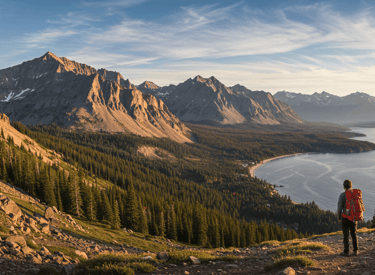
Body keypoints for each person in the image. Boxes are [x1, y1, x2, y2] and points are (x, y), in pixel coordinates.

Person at [337, 179, 358, 256]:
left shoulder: (342, 195)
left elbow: (339, 207)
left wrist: (339, 217)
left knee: (346, 235)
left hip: (345, 217)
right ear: (351, 185)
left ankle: (346, 251)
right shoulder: (355, 194)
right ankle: (355, 250)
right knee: (354, 234)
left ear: (344, 186)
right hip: (354, 217)